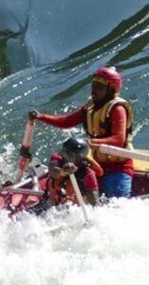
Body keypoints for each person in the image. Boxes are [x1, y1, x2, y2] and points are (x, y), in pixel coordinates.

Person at [29, 66, 134, 198]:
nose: (94, 90)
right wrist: (41, 117)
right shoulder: (90, 106)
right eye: (93, 85)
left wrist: (89, 143)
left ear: (111, 90)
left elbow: (118, 140)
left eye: (99, 87)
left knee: (117, 203)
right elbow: (67, 122)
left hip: (118, 168)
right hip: (96, 162)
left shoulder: (117, 109)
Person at [44, 137, 102, 207]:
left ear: (80, 158)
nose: (64, 157)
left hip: (75, 209)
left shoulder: (88, 173)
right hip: (52, 206)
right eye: (64, 153)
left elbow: (94, 202)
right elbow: (52, 171)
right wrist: (64, 171)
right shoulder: (58, 160)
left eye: (69, 155)